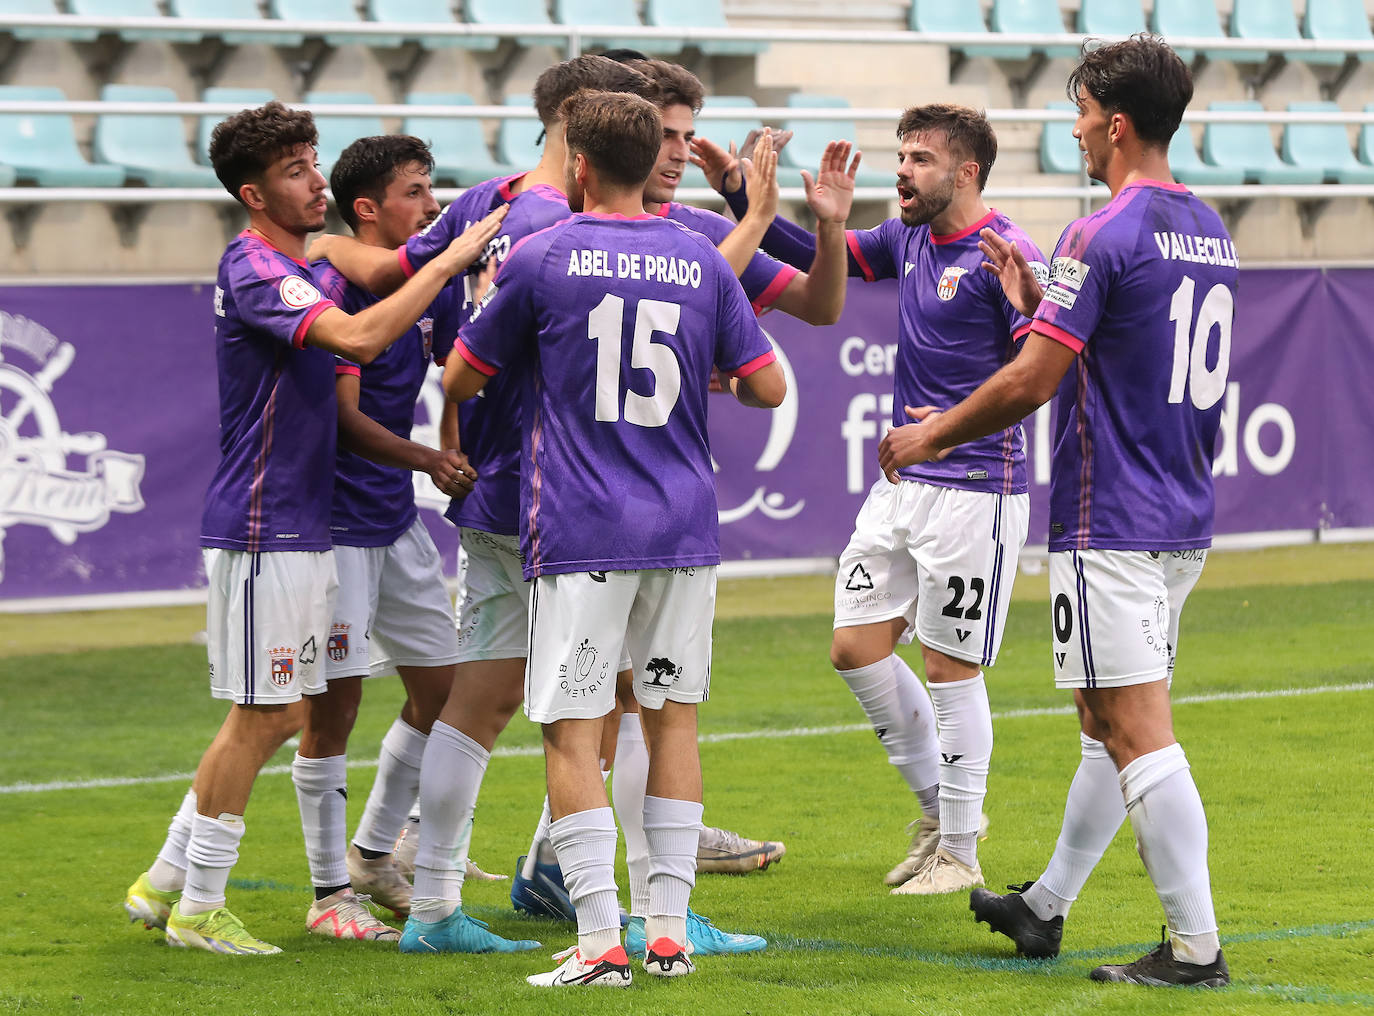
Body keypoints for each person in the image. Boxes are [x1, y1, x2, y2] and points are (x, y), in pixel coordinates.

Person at [878, 36, 1233, 987]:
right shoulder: (1210, 227)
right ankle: (1045, 908)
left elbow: (1035, 377)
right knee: (1099, 719)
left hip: (1111, 512)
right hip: (1180, 508)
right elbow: (1116, 347)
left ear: (1116, 122)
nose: (1074, 130)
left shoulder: (1099, 230)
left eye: (1081, 113)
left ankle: (1194, 948)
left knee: (1135, 728)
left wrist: (933, 435)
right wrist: (1037, 301)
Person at [120, 101, 504, 956]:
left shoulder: (299, 262)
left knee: (280, 712)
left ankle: (172, 883)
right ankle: (205, 903)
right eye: (295, 171)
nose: (313, 182)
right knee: (272, 715)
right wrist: (446, 264)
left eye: (312, 163)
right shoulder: (262, 270)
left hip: (299, 528)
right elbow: (361, 341)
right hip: (273, 525)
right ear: (254, 193)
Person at [445, 87, 786, 988]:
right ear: (653, 162)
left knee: (571, 730)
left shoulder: (542, 254)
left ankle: (599, 944)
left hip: (582, 528)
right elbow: (770, 388)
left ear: (581, 164)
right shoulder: (702, 258)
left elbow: (461, 377)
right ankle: (666, 936)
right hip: (682, 527)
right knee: (673, 721)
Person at [698, 104, 1047, 895]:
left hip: (974, 489)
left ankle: (960, 851)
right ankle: (942, 813)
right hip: (903, 484)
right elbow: (816, 258)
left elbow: (1036, 379)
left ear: (966, 172)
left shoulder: (1007, 251)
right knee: (855, 645)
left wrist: (948, 430)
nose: (901, 170)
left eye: (919, 158)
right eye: (901, 155)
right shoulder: (909, 237)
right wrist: (743, 192)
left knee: (950, 665)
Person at [285, 134, 493, 942]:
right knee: (330, 712)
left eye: (433, 187)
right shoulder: (331, 280)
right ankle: (330, 893)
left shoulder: (423, 283)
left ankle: (375, 853)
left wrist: (455, 435)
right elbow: (341, 417)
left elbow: (457, 368)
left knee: (444, 694)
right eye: (415, 191)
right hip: (333, 526)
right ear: (367, 208)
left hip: (395, 520)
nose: (432, 204)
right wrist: (430, 458)